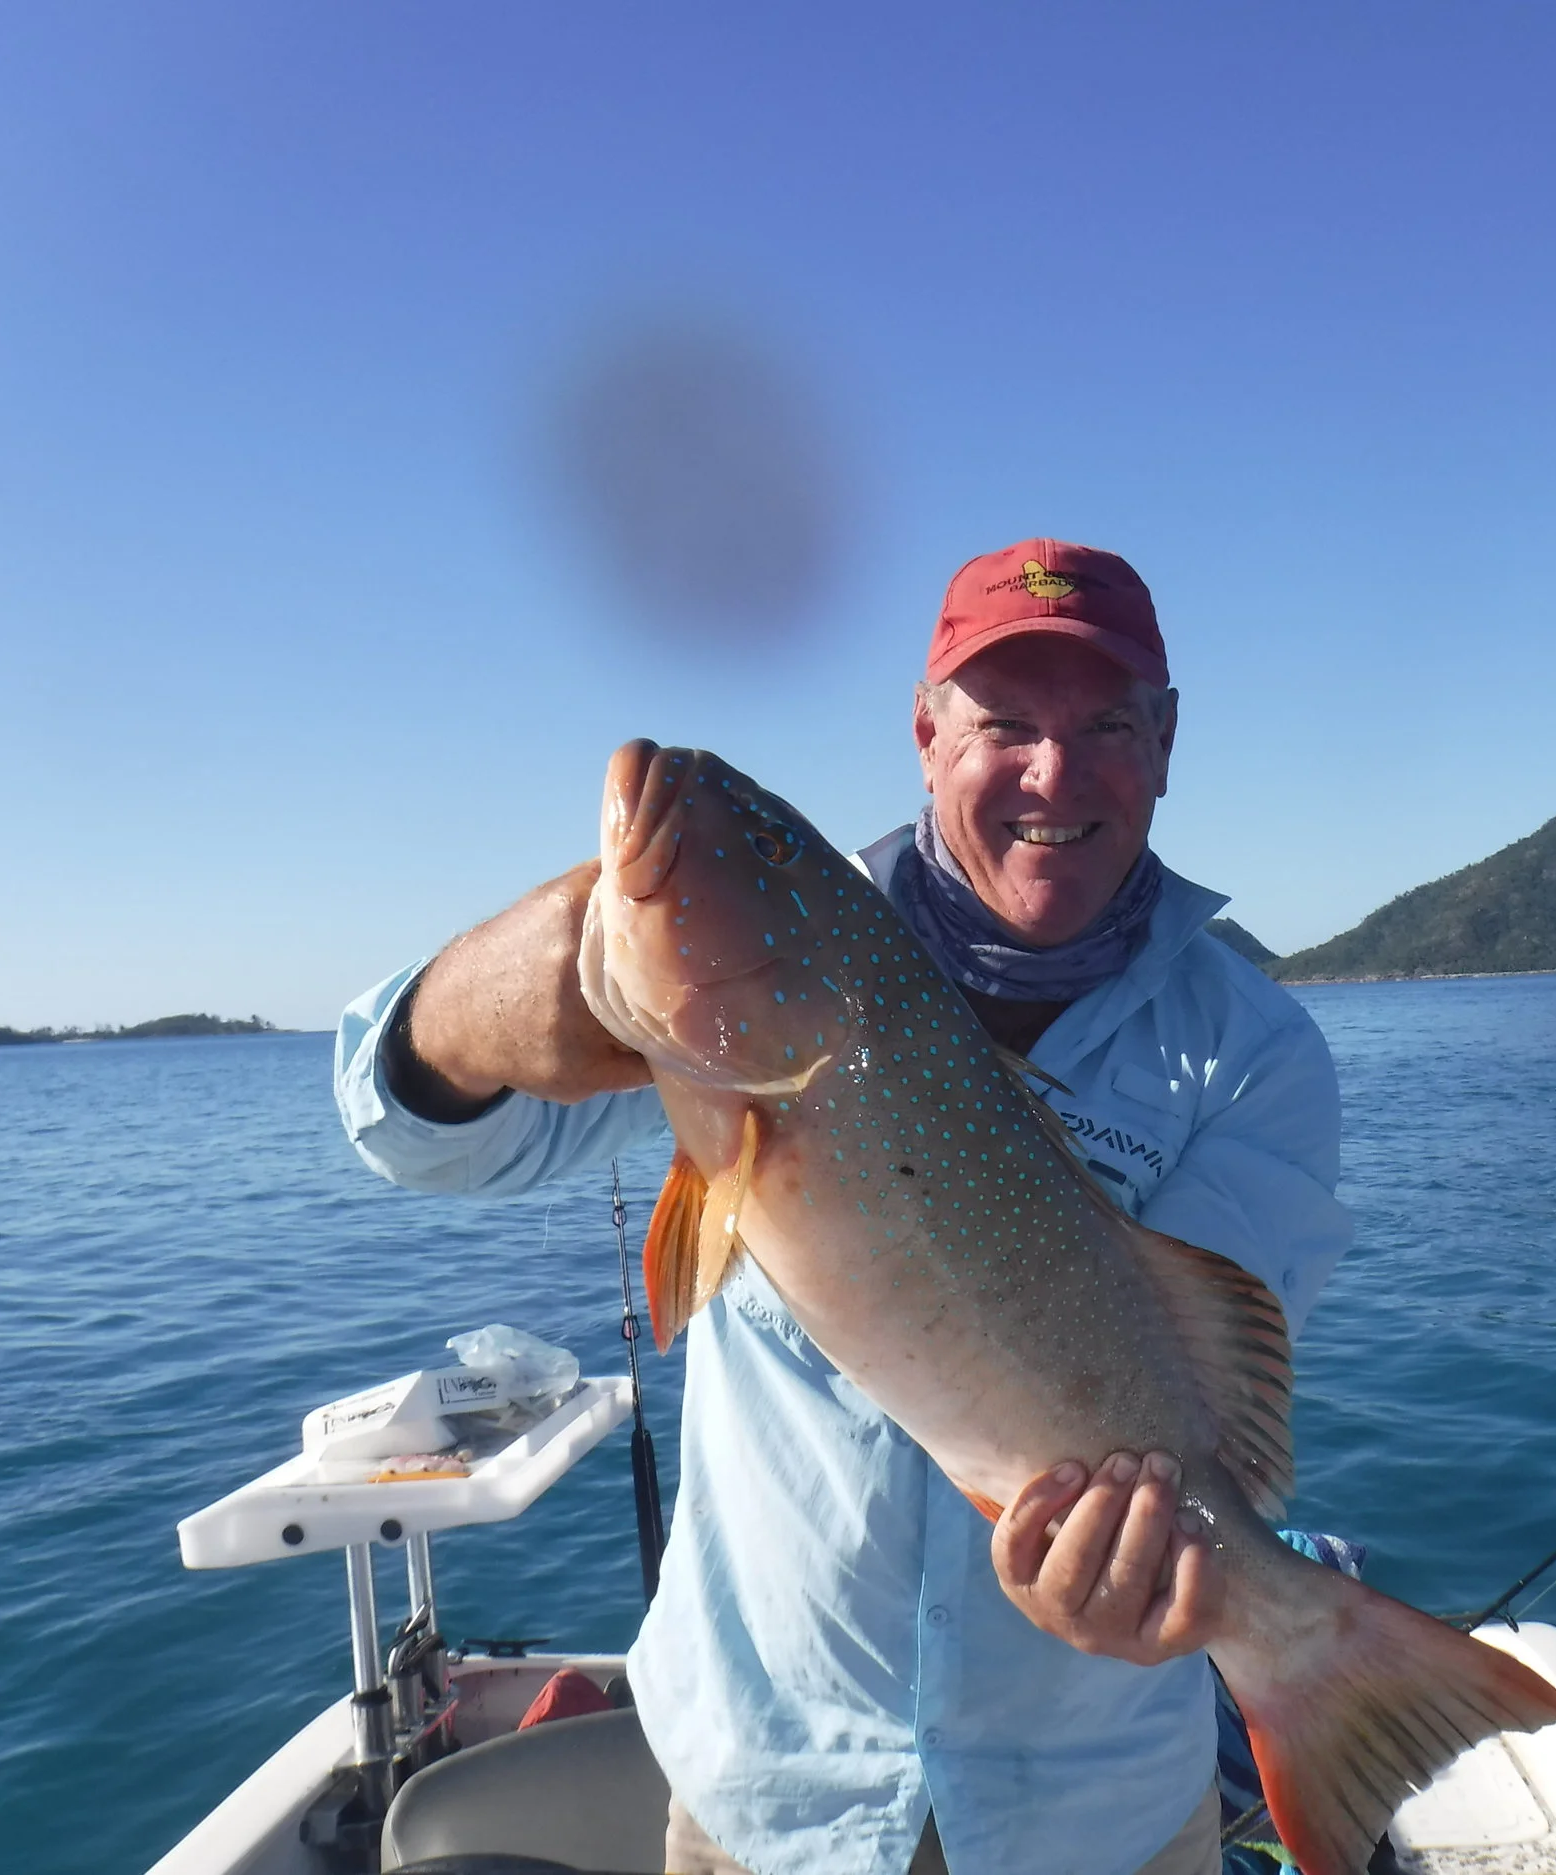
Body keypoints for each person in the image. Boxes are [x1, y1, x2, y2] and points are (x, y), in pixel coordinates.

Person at [333, 539, 1353, 1875]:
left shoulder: (1254, 1051)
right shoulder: (778, 964)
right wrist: (476, 1012)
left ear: (1164, 745)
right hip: (769, 1800)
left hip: (1094, 1822)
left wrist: (1175, 1580)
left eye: (1105, 723)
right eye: (1003, 724)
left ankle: (1327, 1676)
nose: (1055, 772)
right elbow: (410, 1139)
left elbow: (1208, 1390)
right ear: (928, 738)